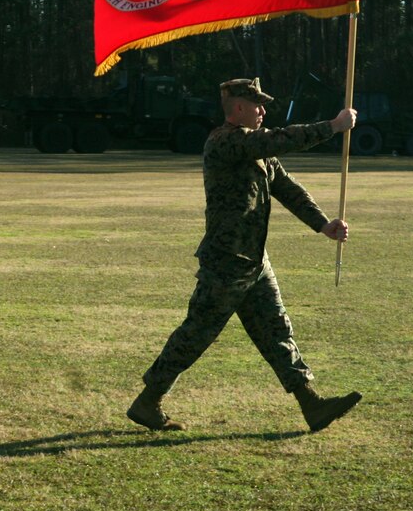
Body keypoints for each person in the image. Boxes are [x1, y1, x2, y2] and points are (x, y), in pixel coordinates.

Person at [127, 77, 361, 433]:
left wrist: (323, 225)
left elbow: (287, 188)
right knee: (195, 335)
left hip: (253, 260)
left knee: (277, 330)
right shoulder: (225, 142)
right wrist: (331, 127)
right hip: (225, 262)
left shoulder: (257, 150)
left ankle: (312, 404)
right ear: (237, 107)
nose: (263, 110)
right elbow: (278, 139)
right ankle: (148, 401)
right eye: (257, 104)